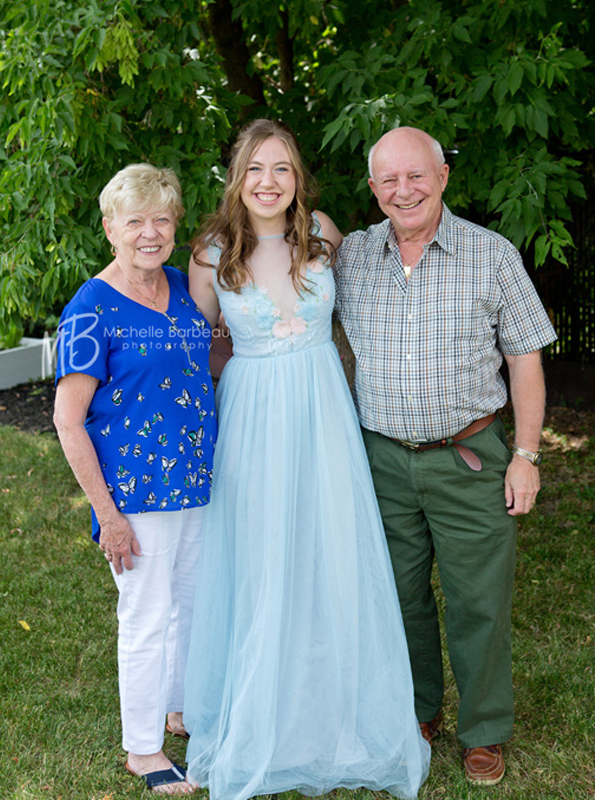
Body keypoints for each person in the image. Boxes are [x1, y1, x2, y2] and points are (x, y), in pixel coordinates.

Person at [182, 119, 430, 800]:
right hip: (254, 419)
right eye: (256, 168)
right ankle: (259, 715)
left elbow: (374, 315)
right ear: (238, 176)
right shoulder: (211, 252)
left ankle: (331, 711)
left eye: (282, 168)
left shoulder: (323, 234)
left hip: (324, 414)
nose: (269, 181)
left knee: (330, 552)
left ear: (299, 180)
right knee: (261, 561)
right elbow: (200, 349)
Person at [335, 126, 556, 786]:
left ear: (443, 177)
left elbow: (525, 359)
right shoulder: (350, 258)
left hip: (470, 458)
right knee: (398, 597)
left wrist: (527, 455)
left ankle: (484, 729)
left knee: (477, 602)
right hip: (380, 461)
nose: (404, 190)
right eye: (389, 180)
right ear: (373, 189)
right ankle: (417, 710)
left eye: (417, 175)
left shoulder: (491, 256)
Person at [53, 164, 216, 795]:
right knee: (146, 615)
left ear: (174, 224)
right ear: (109, 228)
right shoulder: (90, 309)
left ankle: (178, 712)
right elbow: (69, 421)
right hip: (137, 494)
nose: (149, 232)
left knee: (191, 605)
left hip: (195, 481)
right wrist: (109, 515)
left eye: (161, 219)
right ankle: (143, 750)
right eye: (135, 221)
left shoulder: (180, 285)